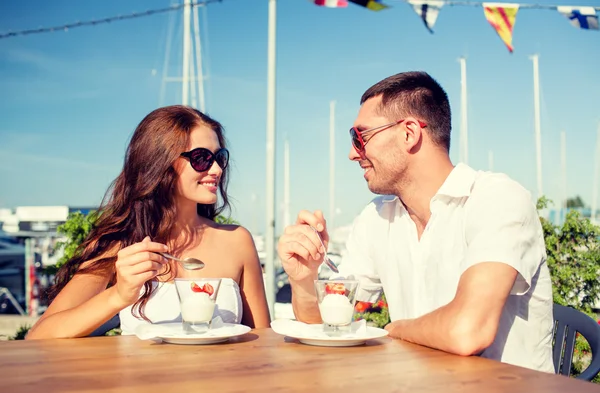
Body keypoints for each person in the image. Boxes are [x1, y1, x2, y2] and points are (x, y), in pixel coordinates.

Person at [277, 71, 554, 372]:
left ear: (409, 133)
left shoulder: (496, 198)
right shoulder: (376, 218)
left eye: (360, 137)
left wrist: (394, 330)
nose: (351, 154)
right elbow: (329, 324)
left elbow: (467, 331)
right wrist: (304, 279)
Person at [26, 105, 270, 339]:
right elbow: (40, 336)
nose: (216, 169)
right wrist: (119, 295)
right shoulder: (121, 246)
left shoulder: (237, 241)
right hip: (144, 381)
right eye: (201, 158)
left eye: (219, 157)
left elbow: (262, 340)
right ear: (160, 163)